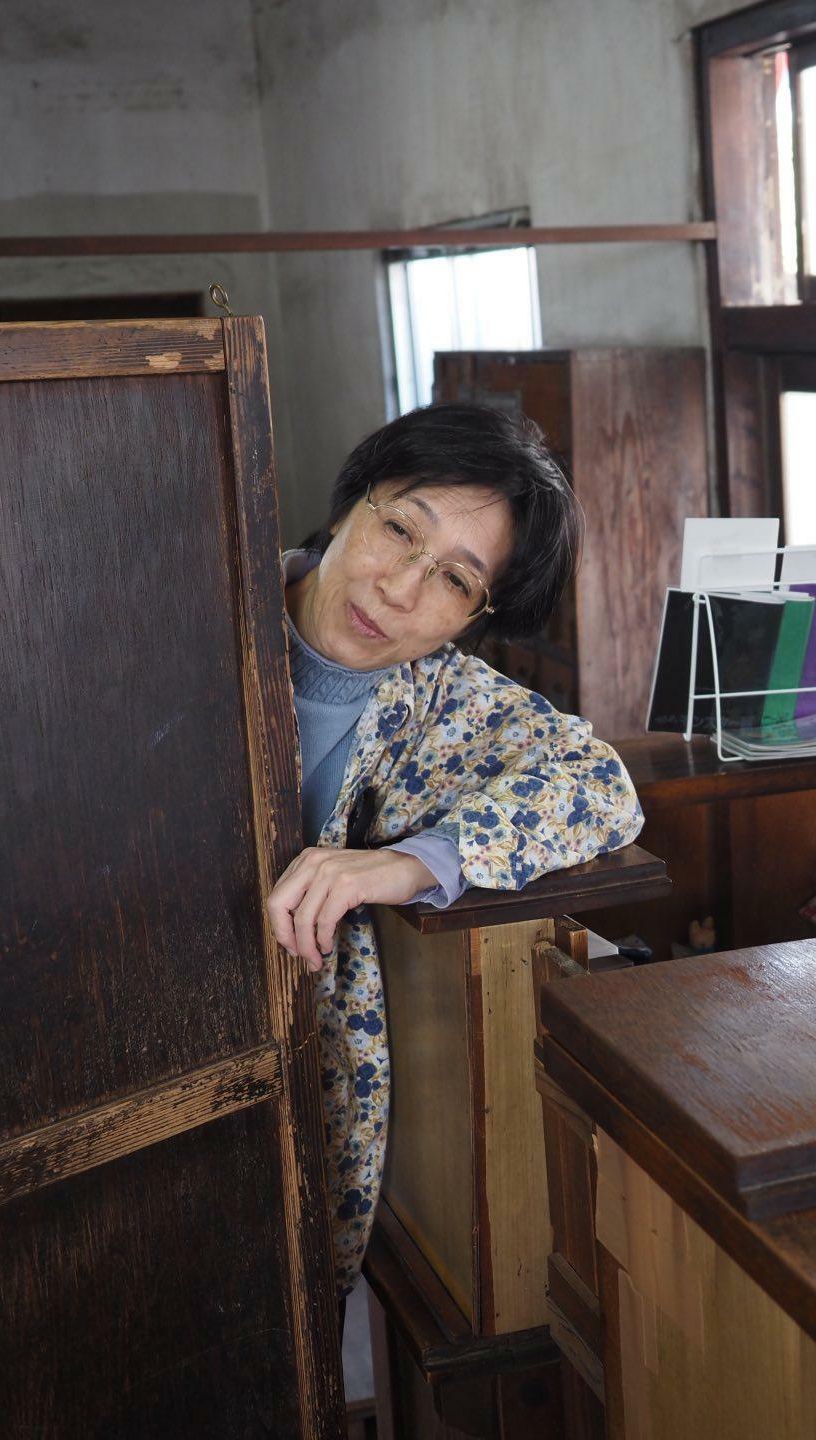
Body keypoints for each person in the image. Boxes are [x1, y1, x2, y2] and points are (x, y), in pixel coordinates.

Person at [267, 403, 644, 1290]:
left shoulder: (448, 703)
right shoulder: (200, 608)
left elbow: (600, 788)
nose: (399, 588)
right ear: (352, 502)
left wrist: (408, 863)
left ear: (476, 614)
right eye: (399, 529)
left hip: (288, 1079)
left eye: (454, 580)